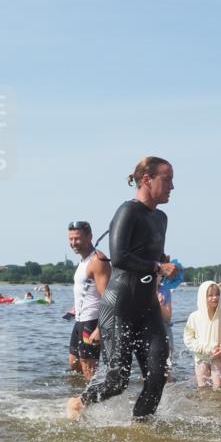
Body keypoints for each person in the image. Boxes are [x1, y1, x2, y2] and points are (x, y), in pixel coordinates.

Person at [68, 156, 178, 420]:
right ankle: (78, 404)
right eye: (168, 180)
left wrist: (163, 264)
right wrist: (157, 266)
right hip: (119, 307)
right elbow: (120, 258)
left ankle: (141, 430)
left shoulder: (161, 218)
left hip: (147, 308)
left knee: (158, 376)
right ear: (147, 180)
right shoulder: (127, 211)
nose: (172, 187)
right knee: (118, 380)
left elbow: (151, 257)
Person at [67, 220, 111, 380]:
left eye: (77, 238)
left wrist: (100, 329)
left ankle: (94, 403)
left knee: (89, 369)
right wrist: (75, 308)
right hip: (80, 320)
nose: (73, 243)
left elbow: (108, 299)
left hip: (92, 322)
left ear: (90, 236)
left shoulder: (98, 261)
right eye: (71, 239)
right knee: (74, 364)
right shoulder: (83, 260)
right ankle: (81, 396)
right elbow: (87, 290)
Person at [183, 281, 221, 388]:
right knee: (202, 386)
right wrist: (201, 348)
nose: (214, 298)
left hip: (218, 356)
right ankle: (204, 404)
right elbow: (188, 338)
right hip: (201, 357)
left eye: (217, 294)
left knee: (218, 385)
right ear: (203, 297)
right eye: (210, 295)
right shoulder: (194, 317)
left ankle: (219, 403)